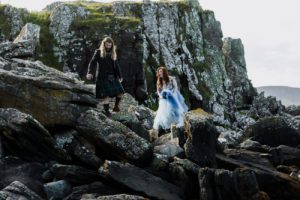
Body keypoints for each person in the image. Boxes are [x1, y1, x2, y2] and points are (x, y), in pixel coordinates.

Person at [86, 36, 125, 116]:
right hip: (102, 77)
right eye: (107, 45)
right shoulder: (98, 52)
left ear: (112, 45)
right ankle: (107, 112)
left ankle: (116, 107)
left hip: (113, 77)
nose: (108, 47)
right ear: (104, 44)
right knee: (106, 96)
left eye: (110, 45)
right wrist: (89, 72)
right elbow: (92, 63)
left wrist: (120, 76)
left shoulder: (113, 53)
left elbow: (116, 65)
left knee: (120, 92)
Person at [153, 66, 188, 131]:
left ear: (164, 72)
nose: (160, 73)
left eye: (161, 71)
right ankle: (168, 125)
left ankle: (176, 123)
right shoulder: (158, 81)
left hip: (172, 97)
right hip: (163, 98)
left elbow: (175, 87)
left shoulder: (171, 79)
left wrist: (172, 94)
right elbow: (158, 90)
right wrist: (160, 96)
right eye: (159, 72)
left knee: (173, 110)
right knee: (164, 112)